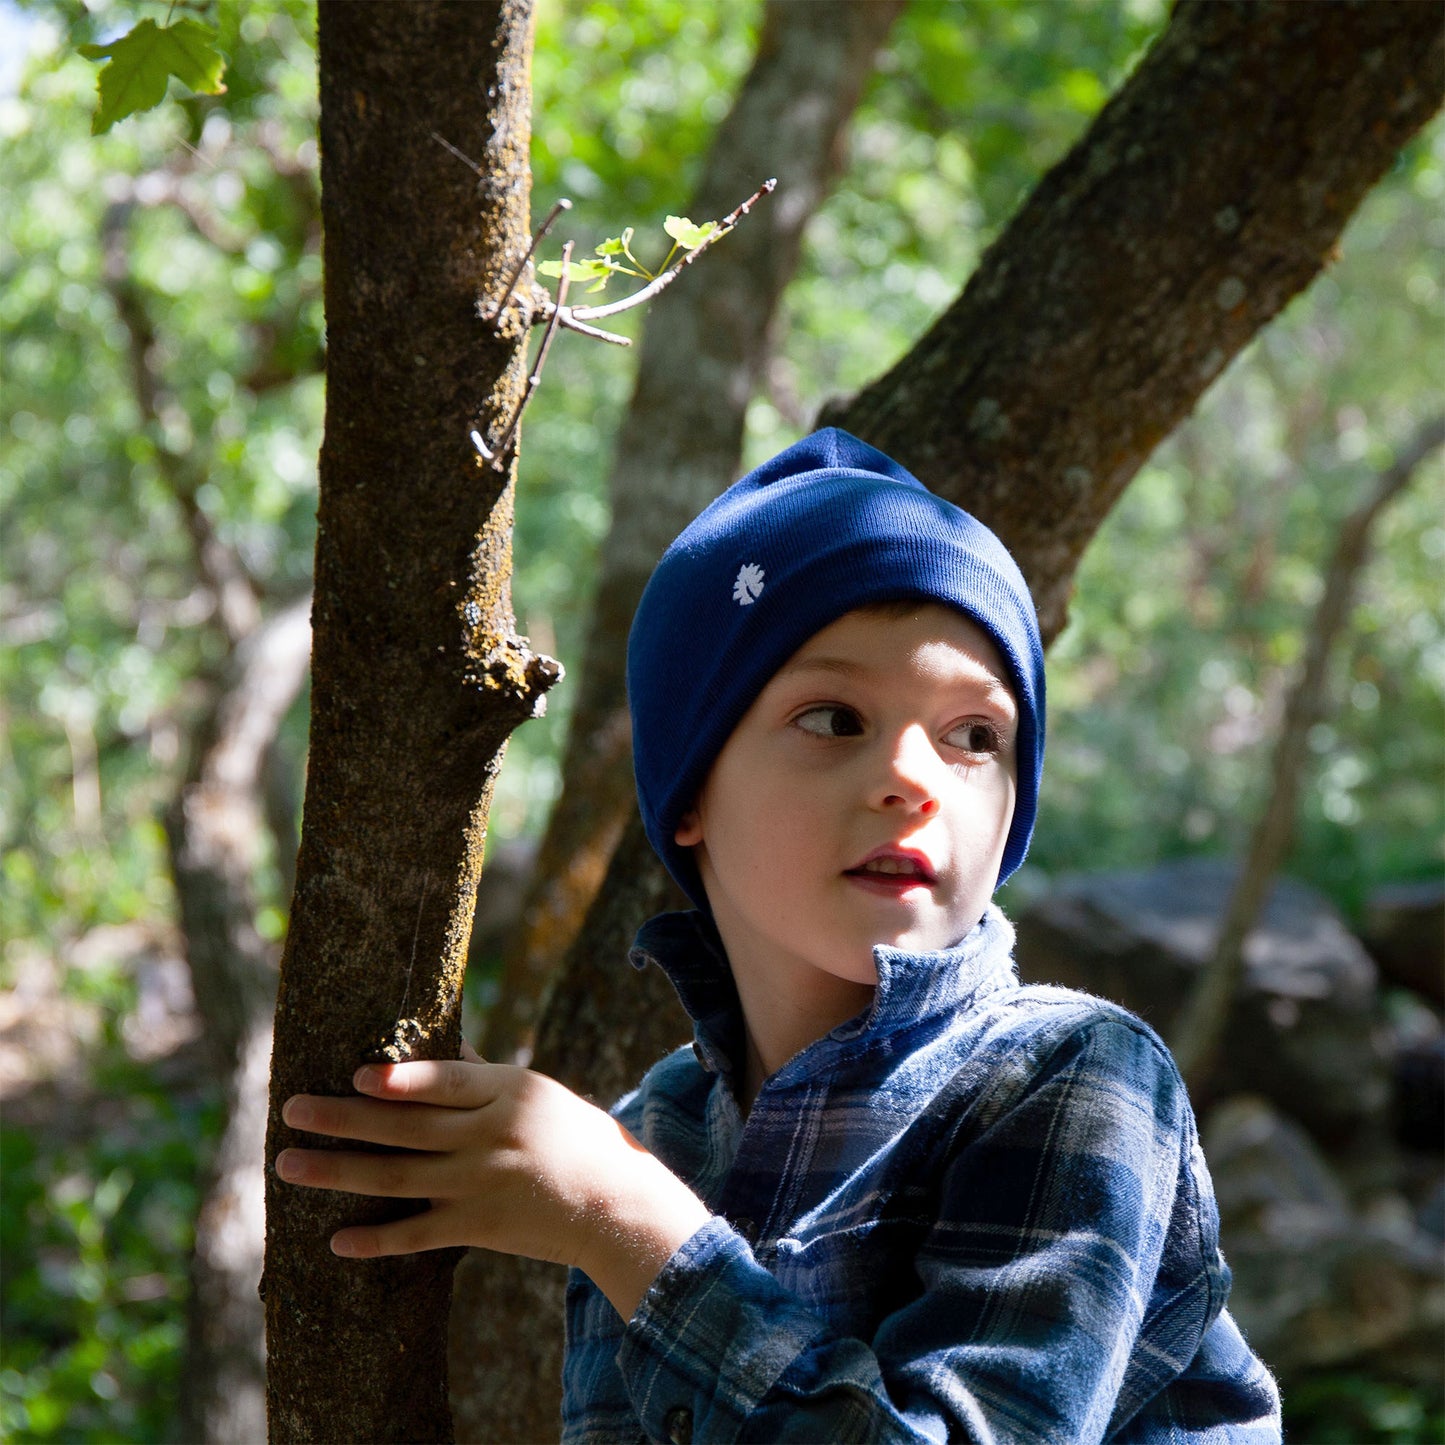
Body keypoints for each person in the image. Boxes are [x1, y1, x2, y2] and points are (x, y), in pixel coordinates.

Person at [277, 428, 1281, 1442]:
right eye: (834, 717)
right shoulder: (656, 1128)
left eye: (974, 735)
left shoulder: (1070, 1075)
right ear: (690, 793)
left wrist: (630, 1225)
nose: (912, 777)